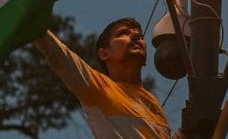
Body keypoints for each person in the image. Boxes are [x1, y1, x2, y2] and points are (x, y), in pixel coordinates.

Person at [33, 17, 171, 139]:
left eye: (140, 36)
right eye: (123, 33)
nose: (136, 35)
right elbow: (59, 55)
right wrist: (30, 19)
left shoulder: (153, 102)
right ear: (104, 54)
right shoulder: (100, 88)